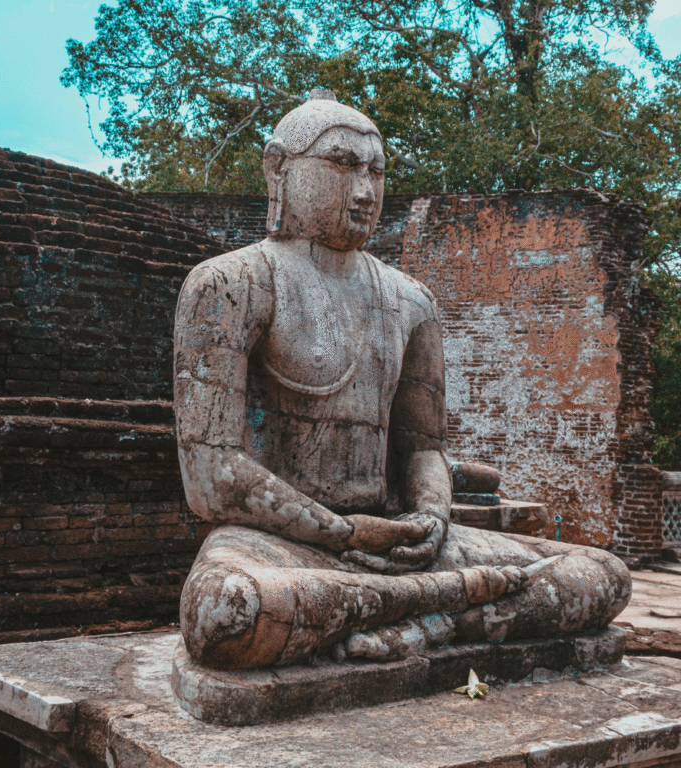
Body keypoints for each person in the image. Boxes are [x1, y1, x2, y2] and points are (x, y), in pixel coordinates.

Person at [173, 90, 631, 671]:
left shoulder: (411, 300)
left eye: (376, 171)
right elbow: (212, 476)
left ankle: (429, 621)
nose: (364, 192)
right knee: (226, 611)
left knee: (602, 577)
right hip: (284, 544)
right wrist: (342, 532)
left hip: (398, 546)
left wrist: (431, 516)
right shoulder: (231, 284)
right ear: (278, 169)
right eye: (341, 165)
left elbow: (422, 447)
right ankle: (445, 610)